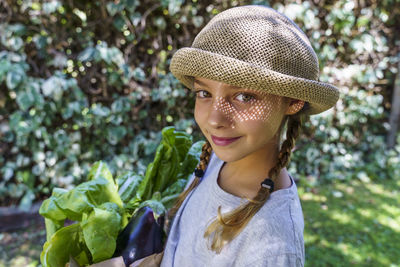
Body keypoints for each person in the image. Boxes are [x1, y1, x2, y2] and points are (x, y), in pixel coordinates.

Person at [132, 4, 339, 267]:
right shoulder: (217, 162)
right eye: (204, 93)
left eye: (244, 97)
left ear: (293, 101)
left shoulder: (272, 246)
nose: (215, 120)